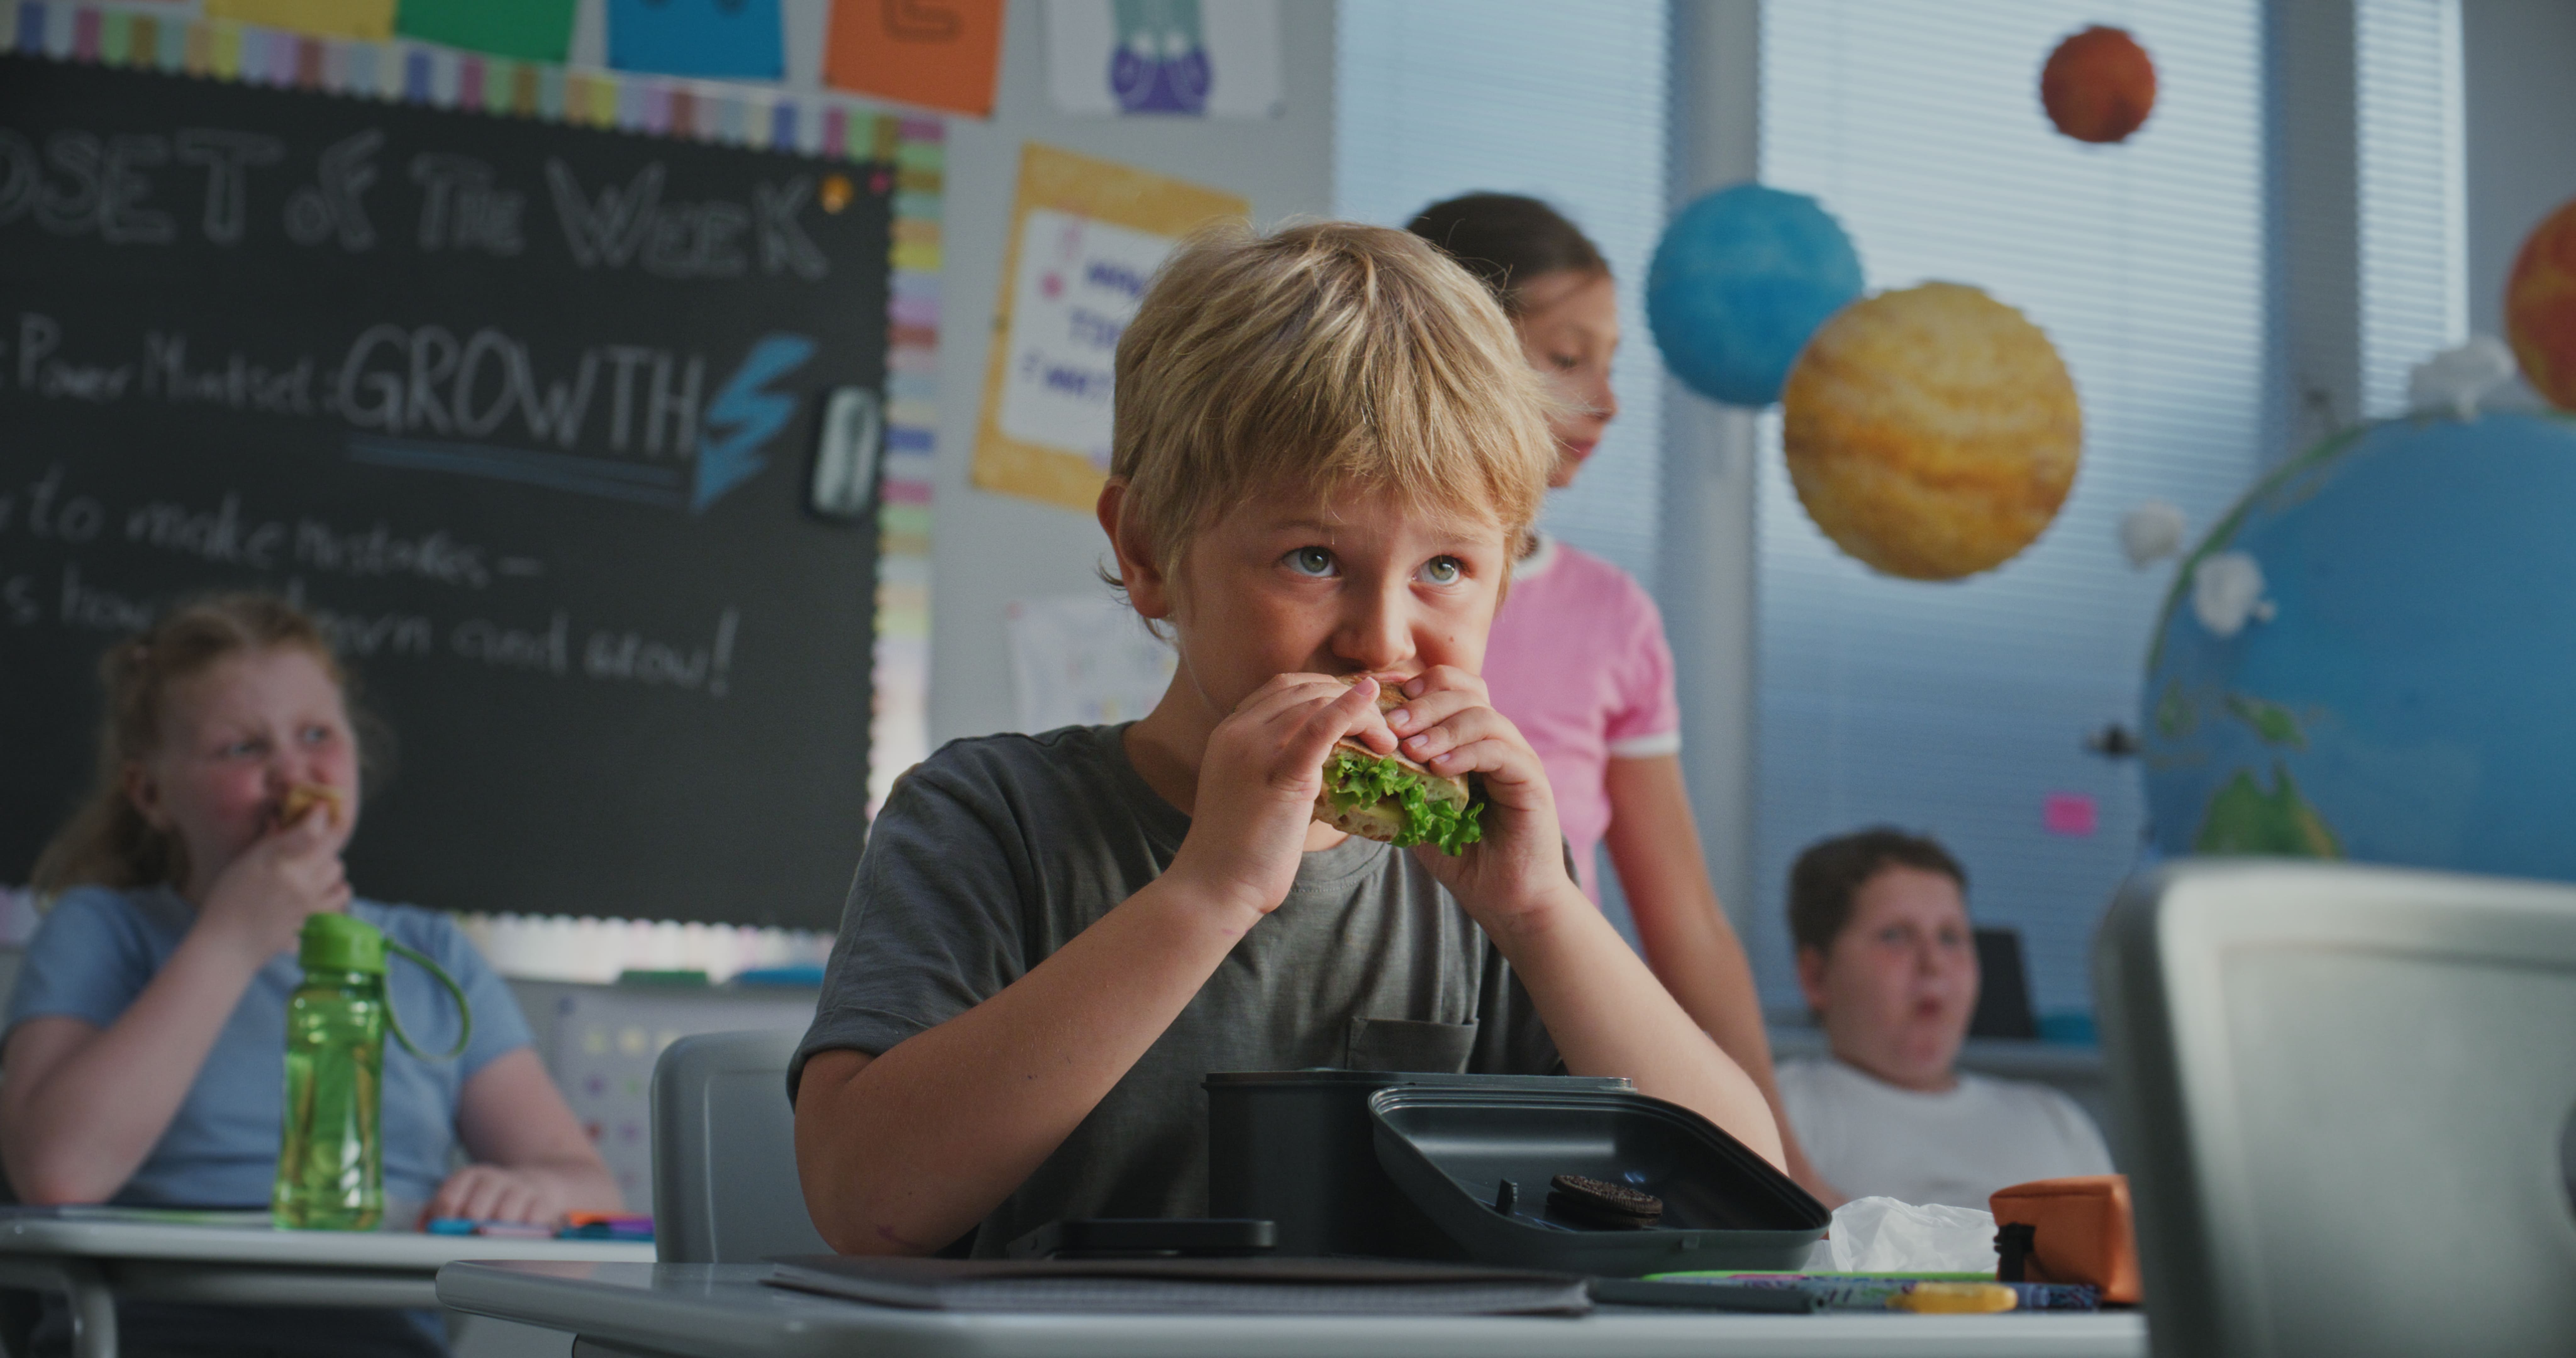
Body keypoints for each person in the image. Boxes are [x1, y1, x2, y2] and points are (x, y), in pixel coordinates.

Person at [791, 220, 1781, 1258]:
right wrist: (1208, 891)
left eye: (1445, 569)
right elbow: (868, 1205)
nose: (1382, 641)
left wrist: (1542, 913)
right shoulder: (988, 818)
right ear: (1148, 553)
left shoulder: (1497, 888)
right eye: (1313, 559)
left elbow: (1742, 1203)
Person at [2, 594, 619, 1358]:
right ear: (151, 794)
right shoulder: (103, 930)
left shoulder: (432, 955)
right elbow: (58, 1173)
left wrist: (535, 1193)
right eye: (241, 748)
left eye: (316, 735)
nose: (292, 772)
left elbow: (590, 1191)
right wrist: (231, 940)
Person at [1408, 192, 1830, 1199]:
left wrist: (1785, 1167)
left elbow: (1685, 920)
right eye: (1566, 358)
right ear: (1455, 347)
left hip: (1549, 1066)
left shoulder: (1614, 616)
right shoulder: (1362, 602)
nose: (1606, 400)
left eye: (1610, 364)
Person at [1773, 828, 2112, 1210]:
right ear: (1816, 977)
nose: (1933, 963)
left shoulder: (2054, 1122)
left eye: (1950, 937)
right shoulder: (1782, 1111)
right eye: (1894, 936)